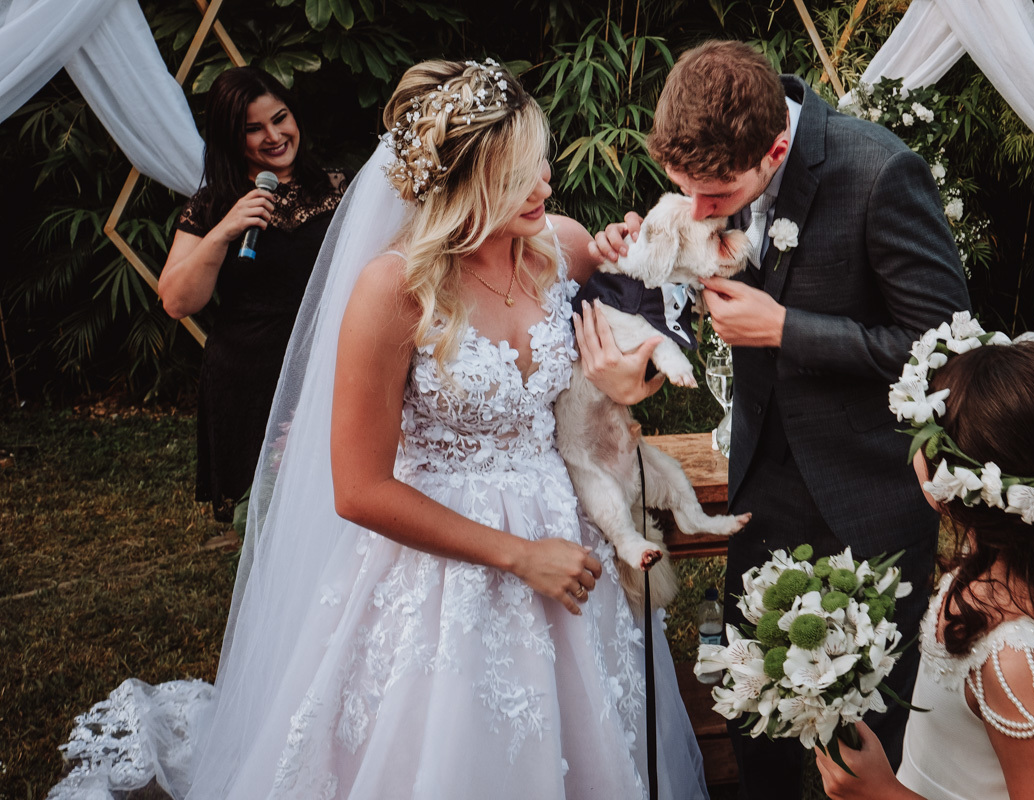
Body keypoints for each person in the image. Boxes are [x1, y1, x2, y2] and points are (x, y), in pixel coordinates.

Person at [48, 59, 706, 800]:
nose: (545, 187)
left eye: (543, 166)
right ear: (465, 179)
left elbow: (619, 376)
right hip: (443, 567)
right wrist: (519, 555)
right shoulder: (394, 289)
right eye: (522, 174)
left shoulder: (564, 247)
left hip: (570, 535)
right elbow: (358, 490)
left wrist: (633, 372)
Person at [590, 40, 971, 795]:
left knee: (867, 738)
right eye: (680, 189)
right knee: (754, 719)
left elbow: (948, 347)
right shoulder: (708, 167)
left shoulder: (878, 173)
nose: (694, 210)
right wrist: (623, 258)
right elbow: (676, 268)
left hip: (868, 502)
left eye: (715, 196)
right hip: (761, 491)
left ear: (774, 149)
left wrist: (787, 329)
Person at [815, 329, 1034, 800]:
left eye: (926, 433)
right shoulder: (986, 560)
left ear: (960, 483)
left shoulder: (1017, 661)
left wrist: (883, 793)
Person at [158, 66, 347, 523]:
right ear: (231, 137)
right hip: (247, 378)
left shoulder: (340, 191)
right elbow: (177, 301)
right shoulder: (211, 206)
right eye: (253, 129)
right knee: (263, 523)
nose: (274, 135)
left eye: (280, 118)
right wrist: (223, 231)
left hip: (326, 370)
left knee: (332, 517)